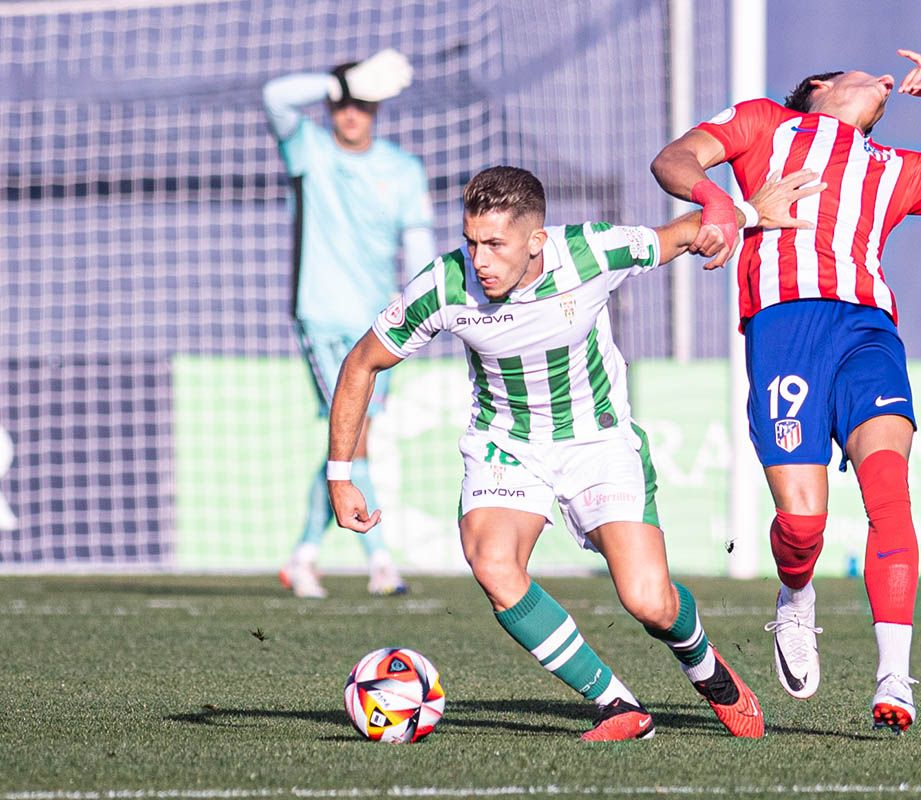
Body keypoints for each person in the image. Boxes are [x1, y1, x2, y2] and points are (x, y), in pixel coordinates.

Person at [325, 165, 823, 740]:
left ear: (536, 240)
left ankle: (708, 671)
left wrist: (749, 212)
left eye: (494, 244)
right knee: (492, 562)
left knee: (648, 601)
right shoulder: (444, 285)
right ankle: (617, 705)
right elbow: (362, 361)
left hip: (598, 440)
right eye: (470, 242)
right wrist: (341, 474)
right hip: (506, 444)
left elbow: (677, 235)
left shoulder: (592, 252)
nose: (479, 259)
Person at [651, 49, 921, 732]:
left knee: (889, 492)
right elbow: (675, 159)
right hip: (784, 328)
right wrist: (731, 209)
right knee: (803, 525)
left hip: (866, 330)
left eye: (889, 86)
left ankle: (894, 678)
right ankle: (796, 597)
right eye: (868, 74)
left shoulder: (894, 168)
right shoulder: (766, 124)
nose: (884, 82)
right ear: (819, 86)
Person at [262, 49, 437, 598]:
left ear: (377, 109)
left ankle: (304, 555)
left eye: (361, 102)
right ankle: (379, 561)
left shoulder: (403, 169)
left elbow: (419, 244)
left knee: (352, 439)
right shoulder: (309, 149)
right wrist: (339, 80)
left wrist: (426, 306)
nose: (350, 113)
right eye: (342, 103)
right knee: (353, 436)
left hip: (379, 327)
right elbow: (275, 96)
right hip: (320, 318)